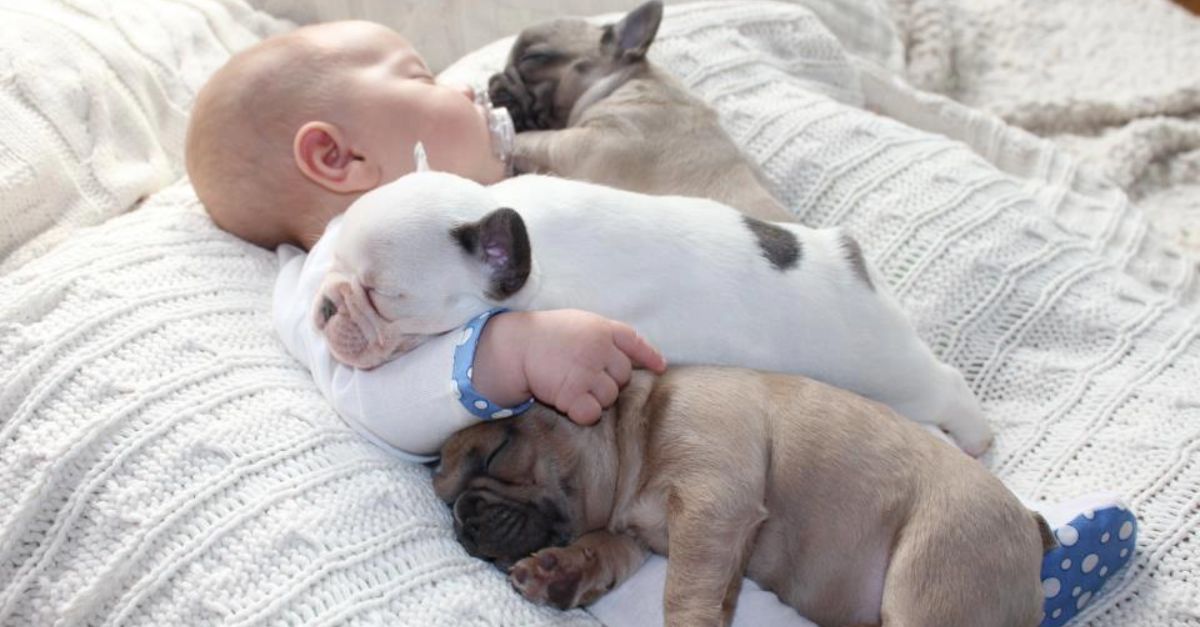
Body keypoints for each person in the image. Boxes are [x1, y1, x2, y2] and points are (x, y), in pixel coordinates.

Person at [185, 19, 1134, 627]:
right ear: (337, 155)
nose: (470, 91)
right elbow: (372, 396)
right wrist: (507, 352)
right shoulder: (327, 285)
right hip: (686, 472)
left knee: (878, 441)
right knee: (675, 565)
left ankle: (999, 541)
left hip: (777, 374)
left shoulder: (486, 214)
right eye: (423, 75)